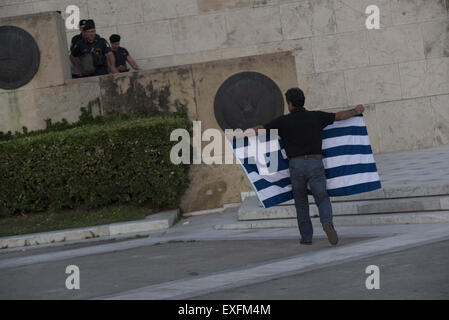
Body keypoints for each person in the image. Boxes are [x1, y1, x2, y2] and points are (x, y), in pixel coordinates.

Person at [244, 88, 365, 246]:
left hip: (296, 164)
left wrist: (240, 134)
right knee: (322, 197)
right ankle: (327, 221)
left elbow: (260, 129)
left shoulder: (283, 121)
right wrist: (355, 110)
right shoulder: (316, 116)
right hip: (315, 162)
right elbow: (340, 116)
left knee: (301, 202)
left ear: (290, 104)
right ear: (303, 101)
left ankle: (306, 237)